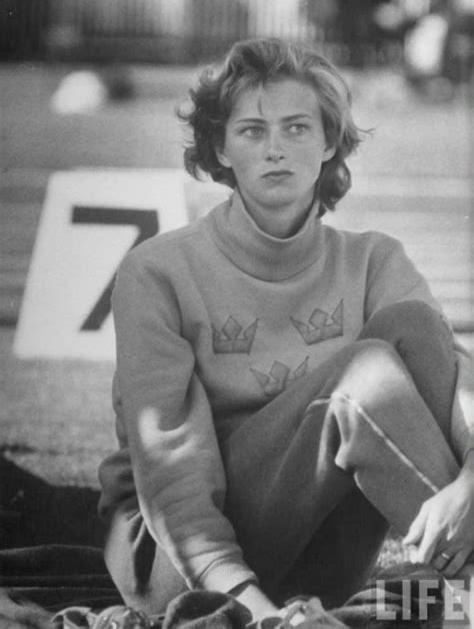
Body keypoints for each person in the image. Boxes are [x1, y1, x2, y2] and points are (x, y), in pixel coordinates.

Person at [98, 38, 474, 622]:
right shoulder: (157, 271)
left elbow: (457, 382)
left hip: (318, 556)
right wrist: (259, 615)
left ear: (329, 143)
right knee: (364, 377)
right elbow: (173, 481)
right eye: (252, 130)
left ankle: (435, 597)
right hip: (181, 564)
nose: (276, 148)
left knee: (414, 327)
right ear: (219, 148)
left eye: (297, 128)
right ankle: (463, 588)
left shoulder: (374, 260)